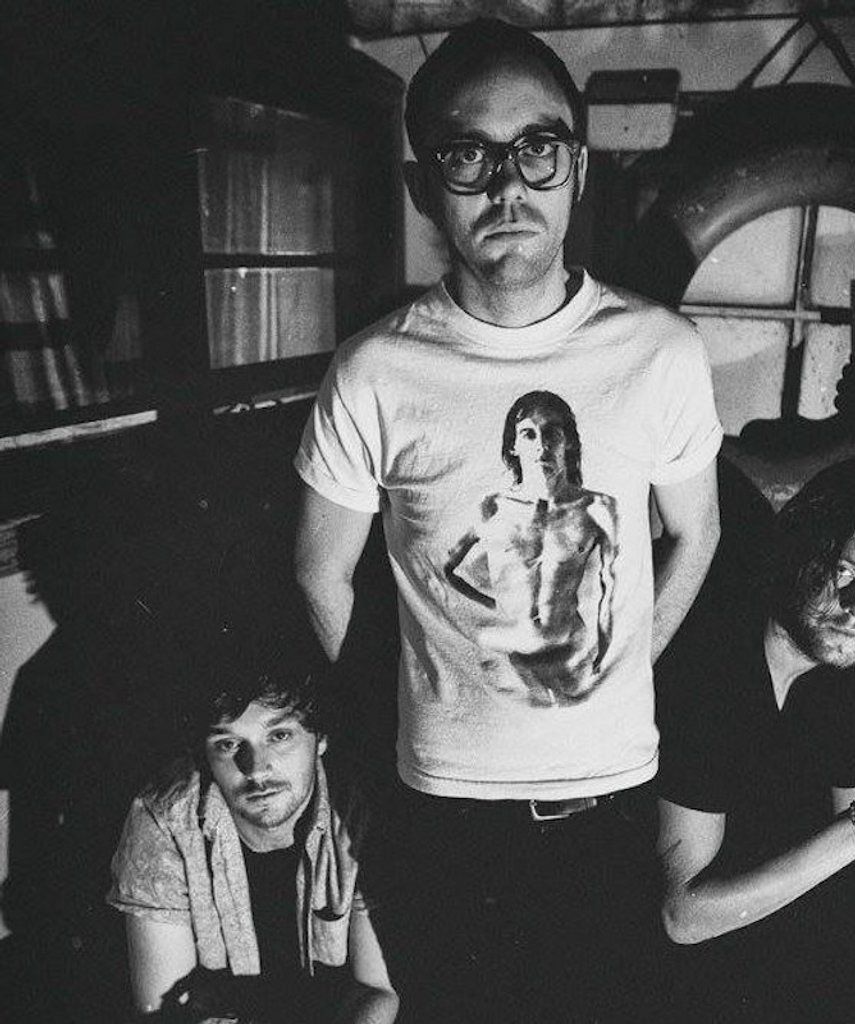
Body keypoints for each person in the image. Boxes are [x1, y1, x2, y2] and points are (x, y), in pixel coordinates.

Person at [293, 17, 721, 1021]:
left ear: (577, 169)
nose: (507, 188)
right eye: (466, 156)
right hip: (439, 814)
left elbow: (694, 533)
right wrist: (407, 709)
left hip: (612, 802)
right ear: (421, 186)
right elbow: (319, 570)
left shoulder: (660, 352)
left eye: (537, 149)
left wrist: (622, 662)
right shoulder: (374, 370)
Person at [656, 458, 855, 1024]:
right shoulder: (715, 664)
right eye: (844, 570)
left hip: (762, 964)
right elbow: (682, 916)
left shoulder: (849, 665)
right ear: (801, 553)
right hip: (650, 975)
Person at [107, 617, 398, 1024]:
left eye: (279, 736)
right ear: (204, 753)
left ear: (321, 739)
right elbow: (165, 1013)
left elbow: (377, 990)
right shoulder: (163, 821)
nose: (256, 768)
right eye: (229, 744)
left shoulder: (361, 814)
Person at [444, 390, 618, 702]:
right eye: (528, 434)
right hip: (508, 659)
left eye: (551, 433)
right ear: (513, 445)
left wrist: (604, 657)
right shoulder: (494, 507)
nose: (541, 445)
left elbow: (609, 592)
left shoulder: (596, 508)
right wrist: (492, 604)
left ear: (568, 442)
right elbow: (448, 570)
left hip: (572, 656)